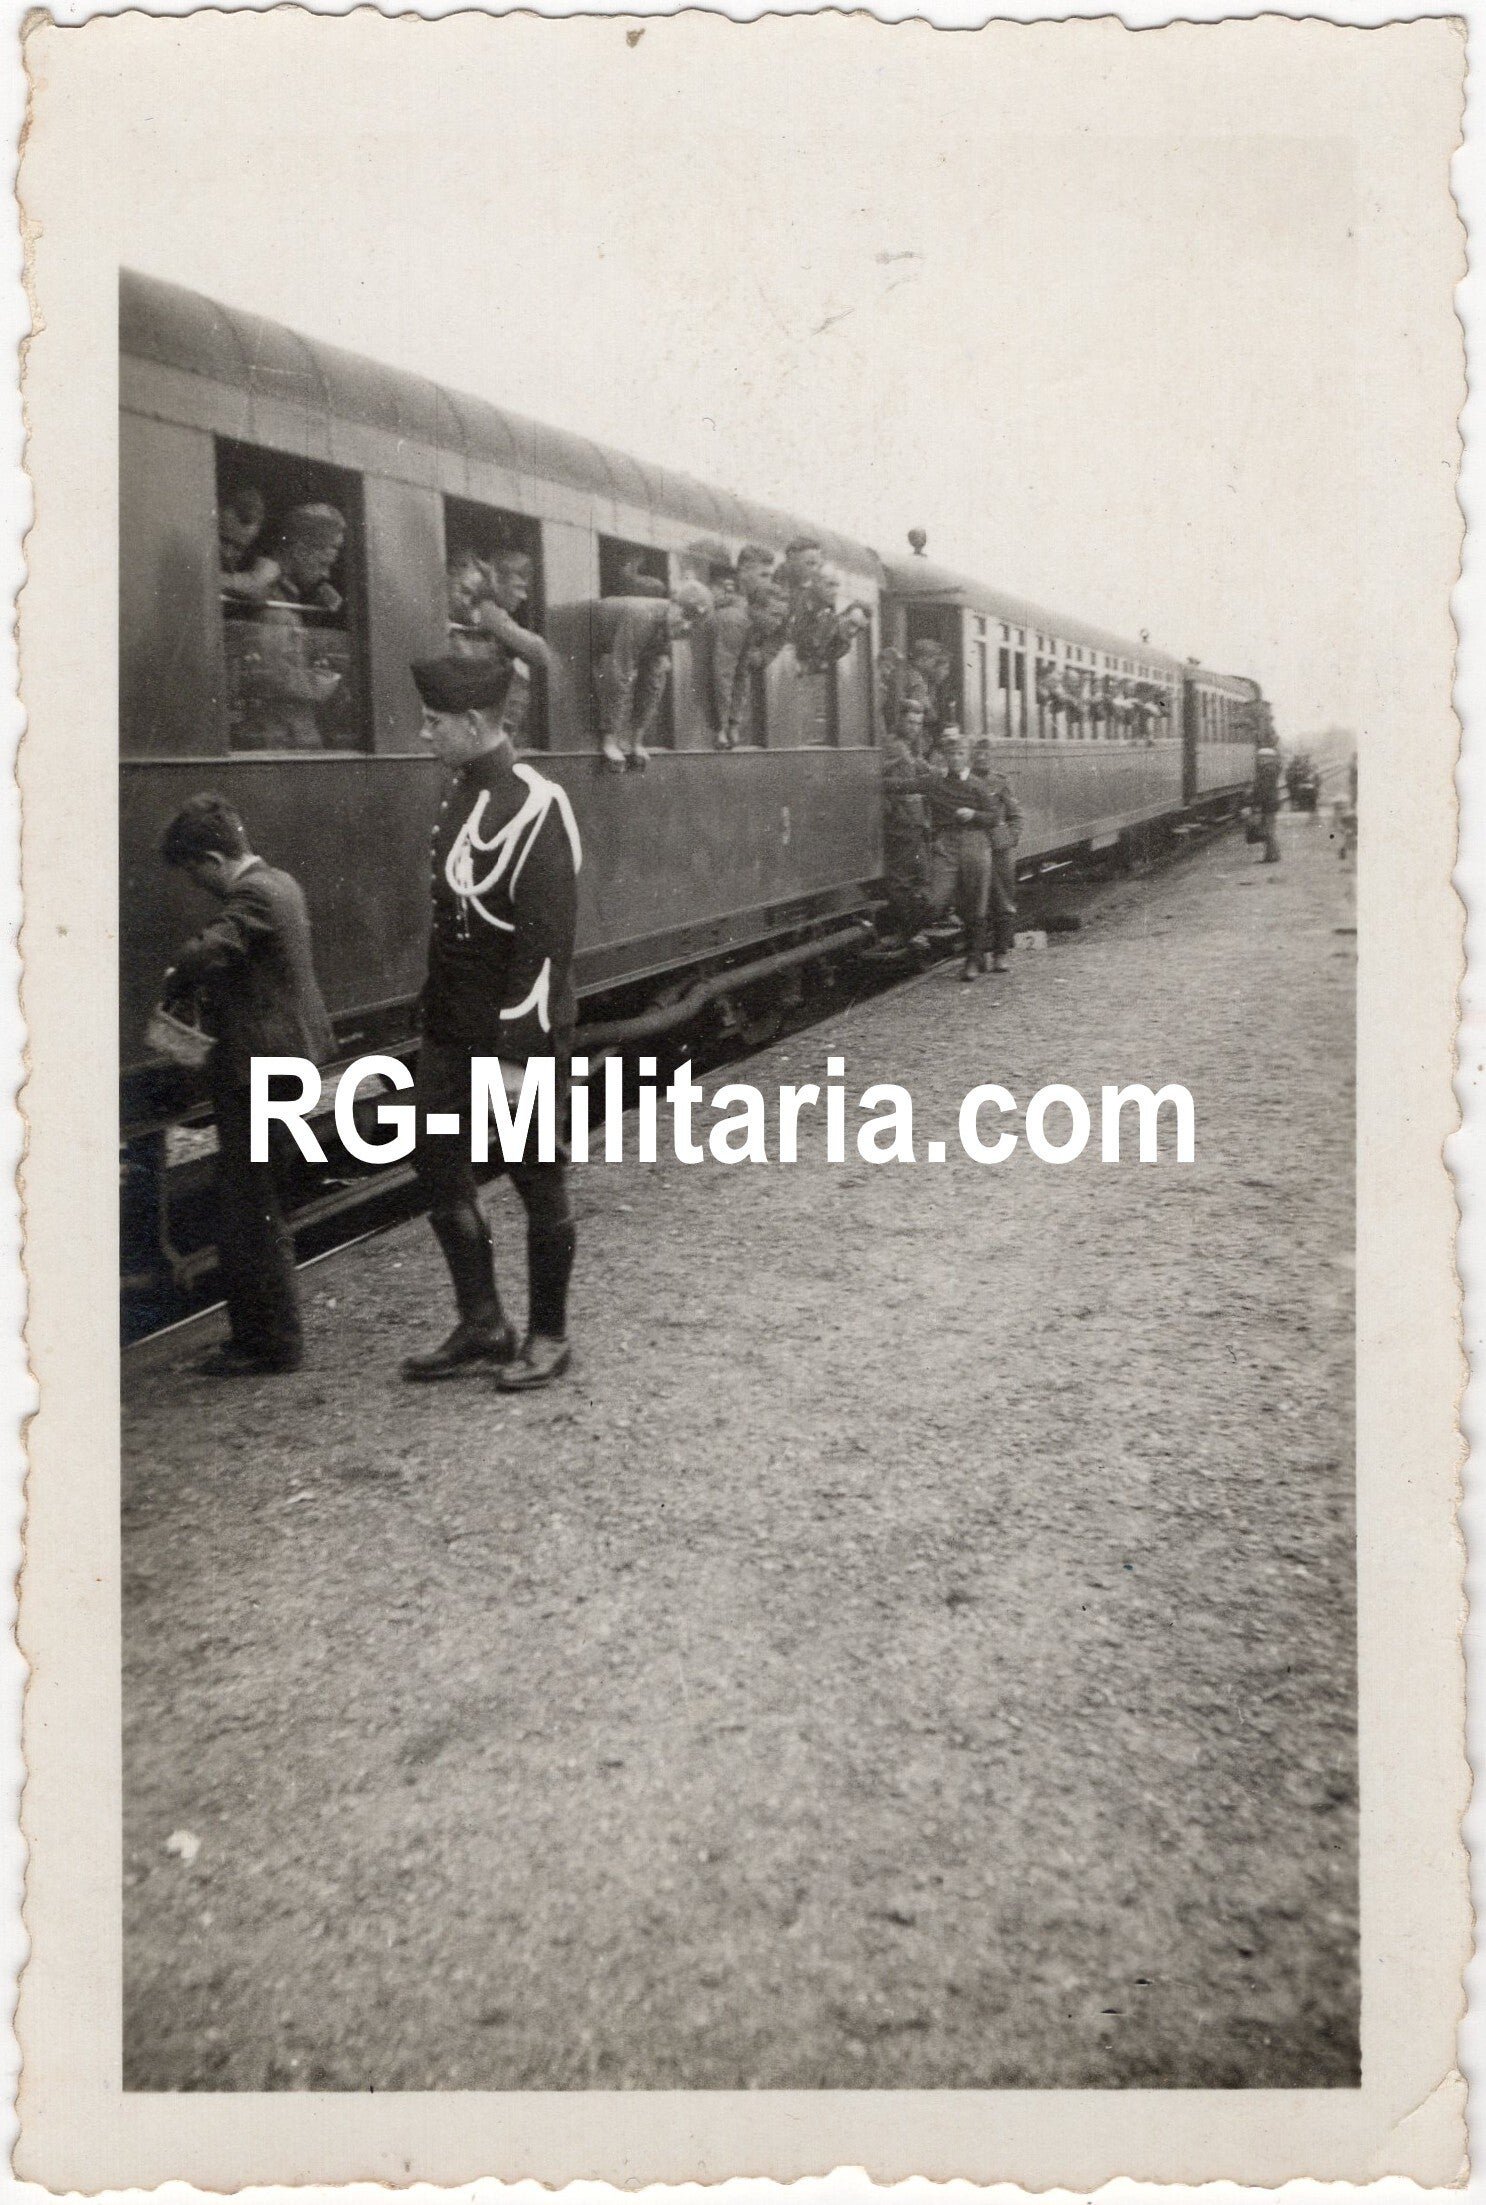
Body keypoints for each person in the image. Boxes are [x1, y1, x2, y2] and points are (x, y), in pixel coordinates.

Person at [402, 652, 583, 1391]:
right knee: (438, 1166)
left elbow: (545, 946)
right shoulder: (462, 793)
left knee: (536, 1176)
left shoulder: (538, 804)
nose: (422, 732)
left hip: (516, 1034)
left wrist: (516, 1054)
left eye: (433, 720)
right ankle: (482, 1321)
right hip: (451, 1028)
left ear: (474, 722)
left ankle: (547, 1334)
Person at [159, 794, 333, 1377]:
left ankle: (272, 1344)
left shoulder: (253, 894)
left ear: (213, 857)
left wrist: (177, 970)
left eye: (195, 873)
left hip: (264, 1068)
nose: (196, 885)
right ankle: (263, 1337)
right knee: (252, 1205)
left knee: (251, 1210)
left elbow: (214, 946)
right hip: (277, 1062)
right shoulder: (281, 881)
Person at [239, 502, 347, 750]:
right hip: (282, 738)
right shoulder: (273, 607)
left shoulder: (289, 597)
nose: (327, 574)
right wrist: (323, 684)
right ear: (299, 551)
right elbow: (272, 675)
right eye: (323, 564)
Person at [593, 581, 714, 768]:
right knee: (622, 675)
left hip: (622, 636)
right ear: (673, 604)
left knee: (655, 680)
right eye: (685, 615)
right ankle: (609, 740)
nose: (686, 625)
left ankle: (635, 741)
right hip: (587, 632)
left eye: (694, 623)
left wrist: (637, 743)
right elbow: (620, 673)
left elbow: (652, 684)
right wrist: (610, 740)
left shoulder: (668, 626)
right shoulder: (643, 616)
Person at [919, 730, 1009, 981]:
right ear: (945, 757)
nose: (956, 758)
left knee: (977, 902)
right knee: (939, 898)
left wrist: (973, 815)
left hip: (974, 843)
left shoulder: (978, 786)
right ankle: (975, 954)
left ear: (967, 757)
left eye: (960, 754)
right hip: (947, 846)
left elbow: (994, 817)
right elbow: (903, 786)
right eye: (951, 754)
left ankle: (973, 959)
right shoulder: (936, 782)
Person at [970, 735, 1024, 969]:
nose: (982, 758)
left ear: (992, 757)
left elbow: (1016, 815)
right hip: (973, 847)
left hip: (998, 849)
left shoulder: (1000, 782)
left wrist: (1010, 838)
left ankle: (1000, 953)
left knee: (1003, 900)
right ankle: (978, 954)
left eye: (986, 754)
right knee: (974, 902)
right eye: (977, 754)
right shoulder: (964, 781)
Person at [218, 485, 281, 606]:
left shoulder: (259, 563)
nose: (227, 553)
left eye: (238, 548)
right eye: (223, 540)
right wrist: (250, 582)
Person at [1252, 739, 1283, 864]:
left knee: (1268, 830)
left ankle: (1272, 856)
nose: (1259, 760)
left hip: (1268, 804)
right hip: (1271, 803)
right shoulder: (1271, 769)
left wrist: (1257, 804)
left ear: (1267, 758)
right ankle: (1273, 855)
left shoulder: (1266, 771)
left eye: (1261, 758)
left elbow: (1263, 790)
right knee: (1269, 829)